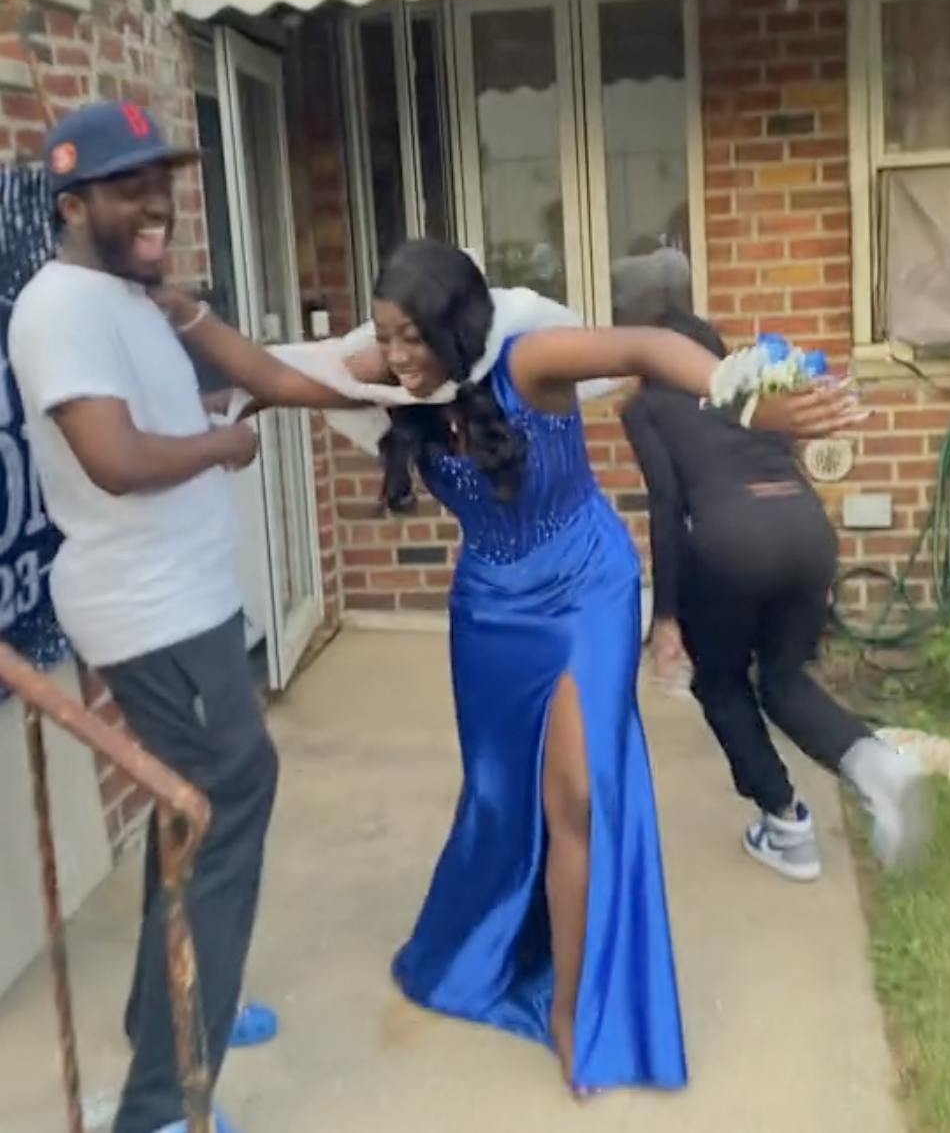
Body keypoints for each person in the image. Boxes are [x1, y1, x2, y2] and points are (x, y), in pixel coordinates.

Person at [158, 238, 862, 1097]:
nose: (398, 357)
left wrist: (749, 401)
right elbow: (265, 377)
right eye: (387, 337)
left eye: (413, 337)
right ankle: (490, 941)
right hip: (490, 612)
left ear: (459, 328)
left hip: (585, 593)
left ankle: (569, 1008)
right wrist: (178, 307)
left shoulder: (529, 362)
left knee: (575, 794)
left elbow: (646, 349)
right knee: (502, 800)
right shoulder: (390, 385)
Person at [8, 102, 313, 1133]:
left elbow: (179, 409)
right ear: (73, 200)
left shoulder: (130, 296)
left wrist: (216, 411)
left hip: (190, 598)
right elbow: (115, 457)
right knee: (225, 800)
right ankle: (159, 1107)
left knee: (188, 806)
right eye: (130, 183)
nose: (156, 200)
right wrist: (221, 449)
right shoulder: (60, 308)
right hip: (148, 610)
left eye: (163, 178)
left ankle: (172, 1011)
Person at [620, 297, 929, 884]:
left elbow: (667, 504)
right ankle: (878, 768)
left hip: (733, 540)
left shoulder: (648, 406)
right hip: (807, 532)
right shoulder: (752, 393)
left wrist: (666, 617)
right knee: (783, 679)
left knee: (720, 679)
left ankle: (786, 826)